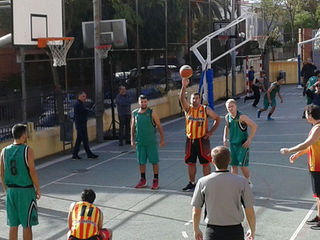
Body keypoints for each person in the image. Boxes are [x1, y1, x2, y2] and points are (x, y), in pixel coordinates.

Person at [191, 146, 256, 240]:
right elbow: (249, 210)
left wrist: (196, 229)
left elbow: (196, 211)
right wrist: (252, 230)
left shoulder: (203, 182)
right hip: (235, 231)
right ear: (229, 160)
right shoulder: (242, 182)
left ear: (213, 162)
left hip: (213, 231)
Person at [280, 105, 320, 230]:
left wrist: (289, 150)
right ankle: (319, 216)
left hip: (318, 166)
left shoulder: (317, 129)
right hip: (314, 165)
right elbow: (311, 146)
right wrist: (298, 154)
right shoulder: (315, 128)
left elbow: (307, 143)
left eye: (306, 114)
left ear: (310, 115)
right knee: (317, 194)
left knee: (319, 194)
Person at [179, 77, 221, 192]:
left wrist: (211, 132)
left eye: (197, 98)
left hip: (202, 140)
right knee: (191, 163)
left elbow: (217, 119)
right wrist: (184, 86)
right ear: (191, 100)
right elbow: (182, 98)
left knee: (205, 163)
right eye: (193, 98)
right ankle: (192, 183)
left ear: (200, 100)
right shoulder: (188, 109)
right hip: (190, 139)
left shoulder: (205, 109)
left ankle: (207, 184)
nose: (195, 100)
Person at [0, 124, 41, 240]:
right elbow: (32, 171)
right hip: (25, 191)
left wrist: (6, 189)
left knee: (13, 225)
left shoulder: (4, 151)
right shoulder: (27, 150)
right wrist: (37, 188)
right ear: (23, 136)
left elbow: (1, 173)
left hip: (11, 191)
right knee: (26, 225)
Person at [131, 94, 165, 190]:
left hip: (151, 142)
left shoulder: (151, 112)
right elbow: (132, 127)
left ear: (147, 102)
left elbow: (159, 126)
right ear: (138, 102)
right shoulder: (135, 113)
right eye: (141, 101)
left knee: (154, 161)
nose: (143, 103)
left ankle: (155, 180)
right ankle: (143, 180)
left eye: (145, 101)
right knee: (141, 162)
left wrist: (162, 139)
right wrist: (132, 140)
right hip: (140, 142)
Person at [223, 99, 257, 187]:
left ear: (236, 106)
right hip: (233, 145)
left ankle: (248, 182)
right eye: (228, 107)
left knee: (242, 166)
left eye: (232, 106)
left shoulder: (242, 117)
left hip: (242, 144)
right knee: (233, 165)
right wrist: (225, 137)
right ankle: (235, 184)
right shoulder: (227, 117)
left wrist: (249, 140)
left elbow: (254, 126)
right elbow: (226, 127)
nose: (230, 108)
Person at [72, 91, 98, 160]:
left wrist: (89, 111)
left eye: (85, 96)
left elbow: (85, 111)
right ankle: (75, 154)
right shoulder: (77, 104)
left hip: (83, 123)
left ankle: (89, 154)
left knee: (84, 139)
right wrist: (90, 111)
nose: (85, 98)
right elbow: (83, 111)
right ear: (79, 96)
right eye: (83, 96)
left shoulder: (81, 104)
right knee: (80, 138)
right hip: (79, 124)